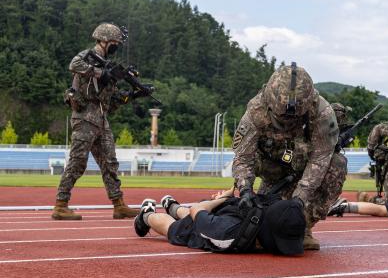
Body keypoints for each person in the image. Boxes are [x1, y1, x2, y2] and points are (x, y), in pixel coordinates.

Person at [231, 62, 346, 251]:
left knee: (337, 163)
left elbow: (320, 159)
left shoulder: (322, 113)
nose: (288, 123)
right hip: (270, 166)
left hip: (303, 167)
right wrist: (245, 189)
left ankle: (302, 228)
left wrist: (299, 201)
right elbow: (243, 157)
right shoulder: (256, 110)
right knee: (262, 217)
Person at [52, 23, 147, 220]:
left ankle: (119, 205)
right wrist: (101, 73)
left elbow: (111, 102)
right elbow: (73, 65)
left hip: (101, 120)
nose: (116, 47)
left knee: (110, 163)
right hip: (85, 118)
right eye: (114, 43)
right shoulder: (88, 56)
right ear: (104, 41)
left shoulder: (108, 65)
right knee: (78, 162)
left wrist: (133, 95)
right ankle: (61, 205)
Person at [133, 189, 306, 256]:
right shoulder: (227, 233)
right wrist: (222, 199)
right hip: (217, 219)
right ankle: (146, 215)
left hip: (227, 211)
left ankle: (172, 205)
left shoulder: (277, 209)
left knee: (192, 216)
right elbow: (197, 210)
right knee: (175, 229)